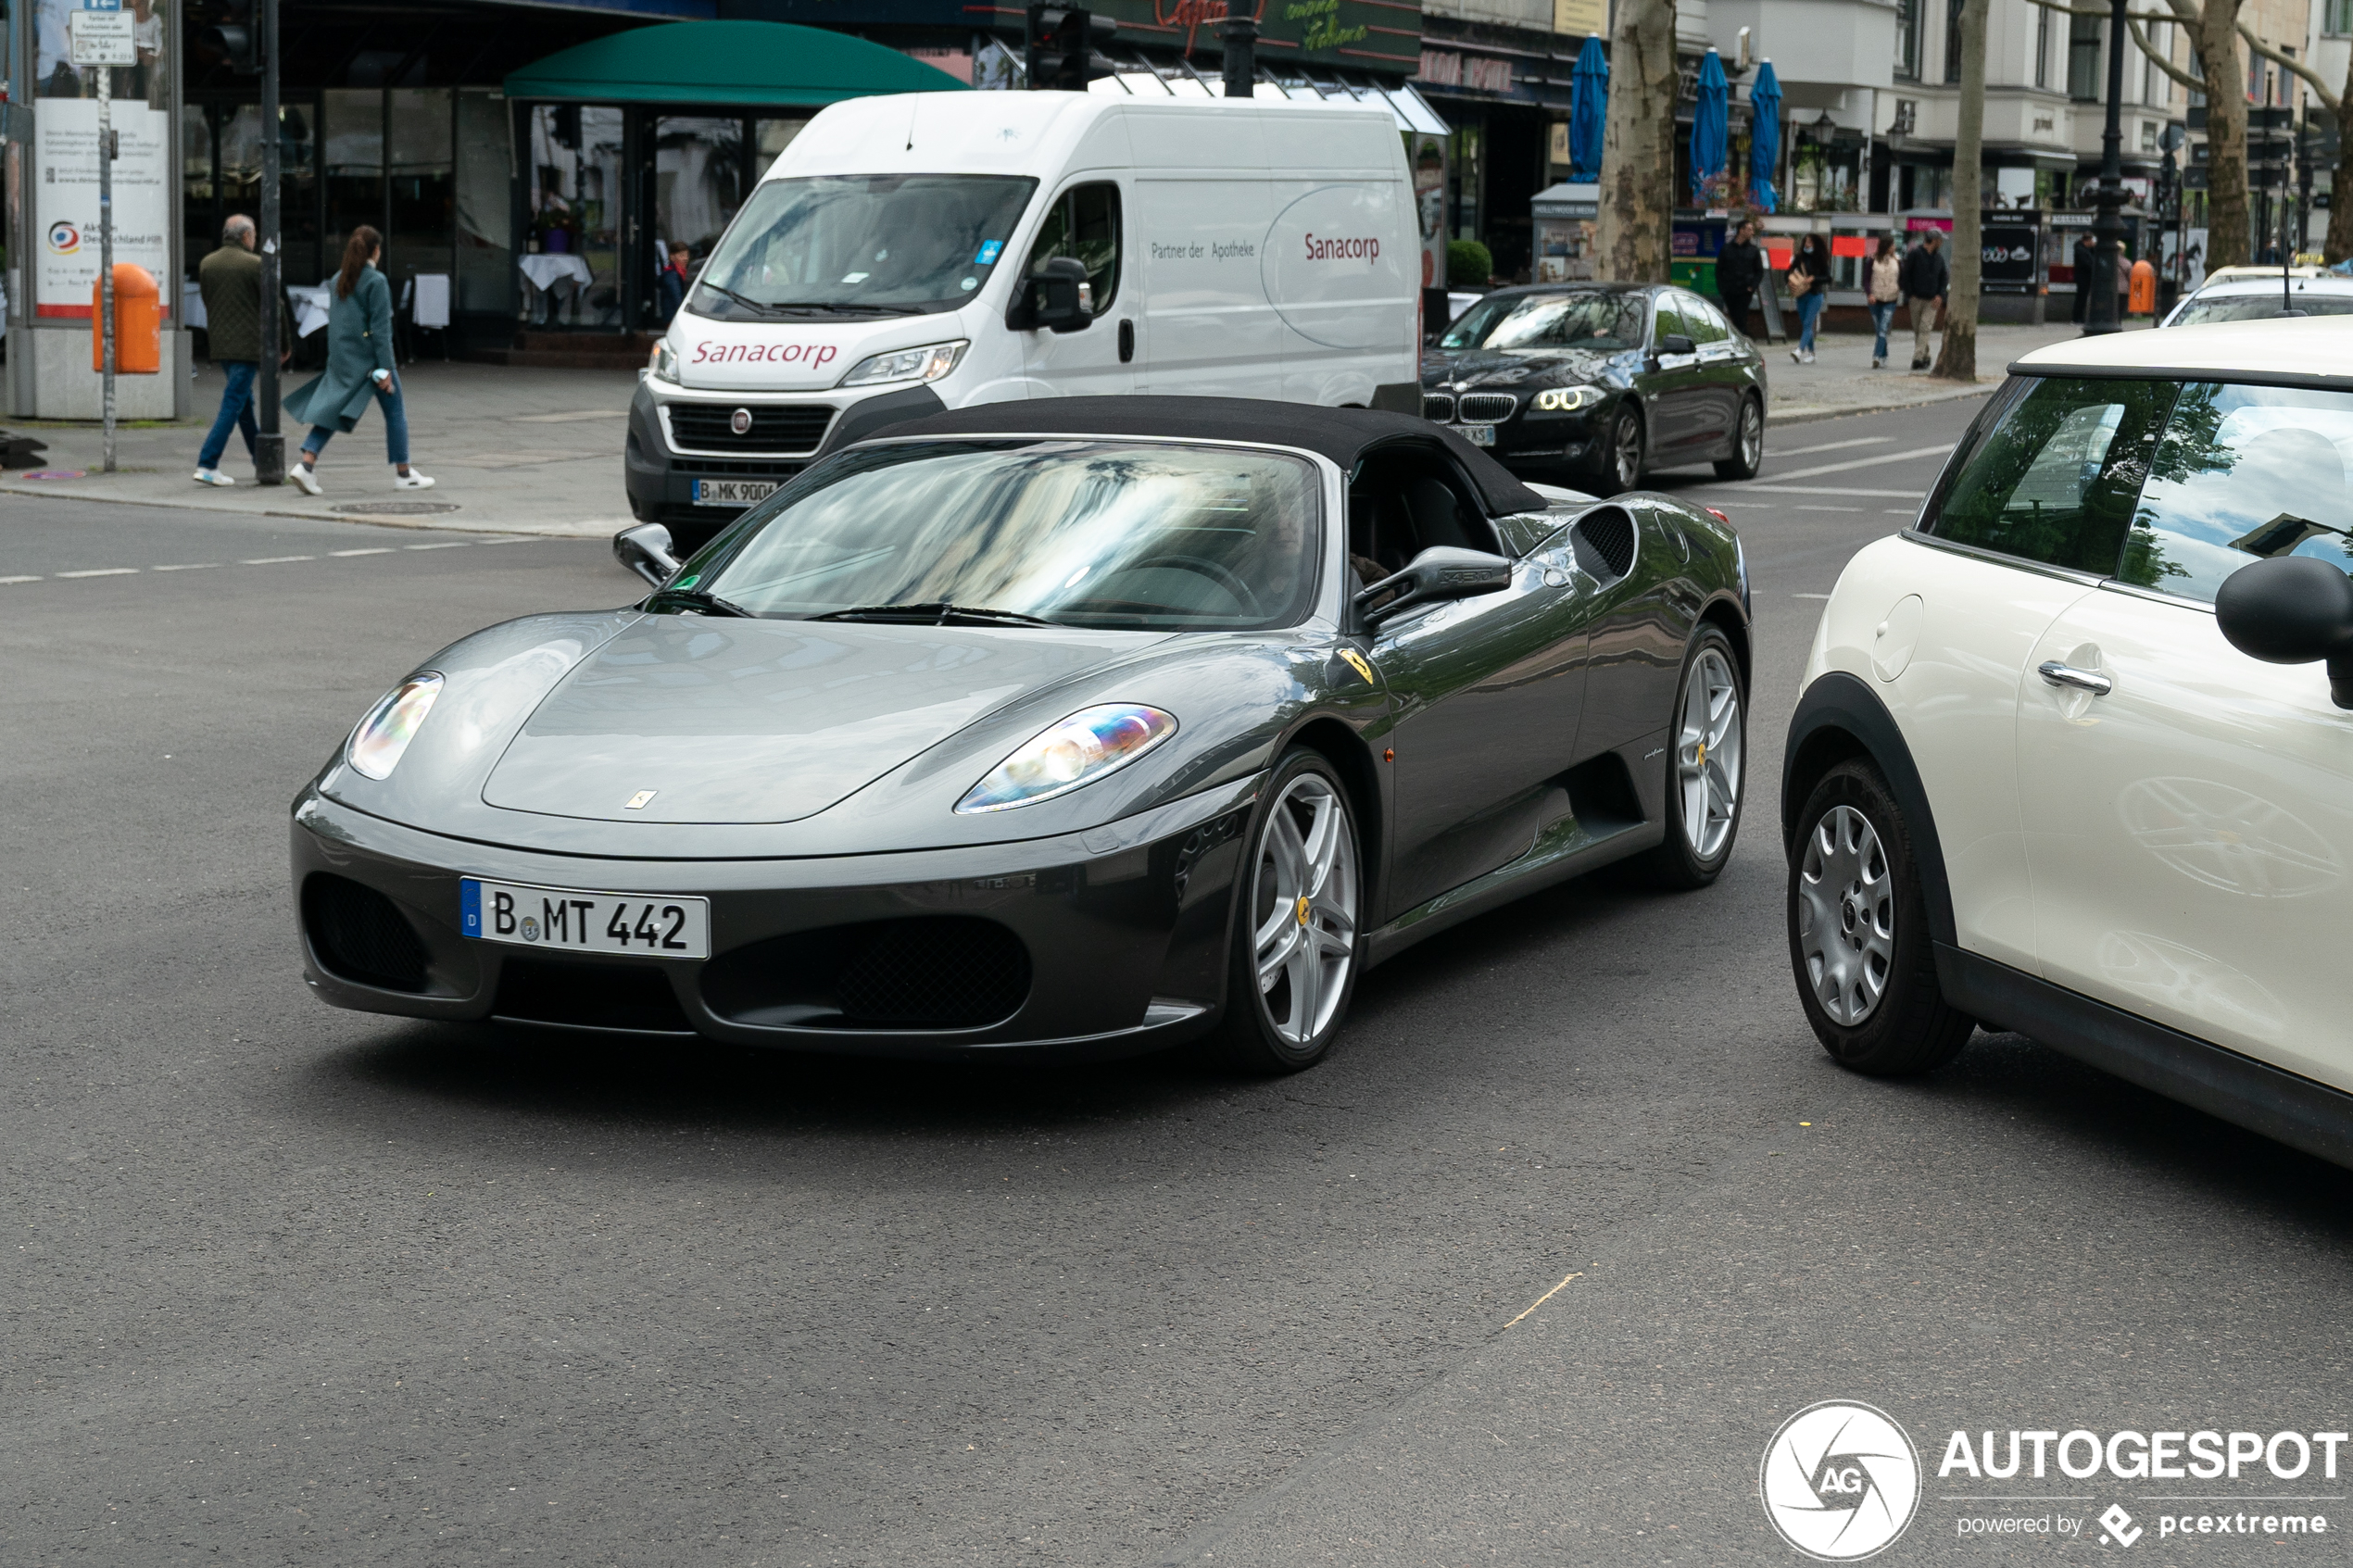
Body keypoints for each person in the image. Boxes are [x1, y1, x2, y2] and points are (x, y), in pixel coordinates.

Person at [283, 226, 432, 495]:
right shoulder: (376, 281)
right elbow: (381, 330)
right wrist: (385, 368)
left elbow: (339, 324)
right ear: (376, 250)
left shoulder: (339, 278)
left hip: (344, 360)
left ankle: (306, 464)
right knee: (395, 412)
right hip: (371, 364)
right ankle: (404, 473)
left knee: (332, 412)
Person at [192, 214, 291, 487]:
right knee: (234, 402)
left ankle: (261, 462)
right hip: (248, 346)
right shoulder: (257, 265)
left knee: (244, 405)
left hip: (221, 344)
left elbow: (207, 298)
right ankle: (208, 462)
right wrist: (284, 345)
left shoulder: (207, 264)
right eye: (255, 234)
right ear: (247, 236)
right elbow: (276, 307)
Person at [1900, 231, 1949, 370]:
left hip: (1932, 300)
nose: (1941, 243)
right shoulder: (1915, 254)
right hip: (1916, 298)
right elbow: (1907, 274)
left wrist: (1940, 295)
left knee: (1925, 328)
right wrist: (1910, 293)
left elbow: (1943, 278)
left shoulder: (1939, 258)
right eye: (1940, 240)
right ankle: (1925, 355)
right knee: (1917, 328)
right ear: (1934, 240)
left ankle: (1917, 358)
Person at [1717, 219, 1765, 339]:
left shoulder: (1753, 250)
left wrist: (1752, 287)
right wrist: (1723, 289)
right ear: (1741, 230)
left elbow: (1759, 271)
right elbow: (1719, 270)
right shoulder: (1727, 249)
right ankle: (1740, 338)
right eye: (1749, 229)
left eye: (1752, 230)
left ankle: (1740, 339)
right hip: (1730, 290)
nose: (1752, 232)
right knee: (1734, 316)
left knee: (1741, 316)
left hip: (1745, 290)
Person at [1788, 232, 1831, 364]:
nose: (1808, 245)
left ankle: (1799, 350)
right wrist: (1790, 281)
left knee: (1808, 323)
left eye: (1810, 242)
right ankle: (1812, 353)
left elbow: (1828, 278)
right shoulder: (1799, 257)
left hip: (1815, 294)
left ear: (1816, 244)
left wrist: (1814, 278)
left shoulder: (1821, 259)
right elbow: (1789, 271)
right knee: (1805, 323)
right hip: (1800, 294)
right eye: (1806, 242)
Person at [1866, 234, 1902, 369]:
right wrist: (1869, 293)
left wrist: (1900, 289)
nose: (1894, 247)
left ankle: (1876, 355)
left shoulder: (1897, 261)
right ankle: (1884, 355)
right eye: (1893, 245)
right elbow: (1866, 279)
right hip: (1875, 298)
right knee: (1879, 329)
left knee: (1883, 328)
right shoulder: (1872, 260)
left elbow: (1902, 278)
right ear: (1887, 246)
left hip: (1890, 298)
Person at [655, 242, 692, 324]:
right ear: (672, 257)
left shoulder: (680, 274)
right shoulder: (671, 276)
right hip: (673, 318)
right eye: (682, 255)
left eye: (687, 255)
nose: (685, 258)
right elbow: (677, 298)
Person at [2070, 232, 2098, 325]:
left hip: (2085, 276)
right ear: (2087, 240)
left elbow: (2093, 256)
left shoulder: (2086, 249)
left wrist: (2093, 248)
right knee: (2081, 298)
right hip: (2083, 277)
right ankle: (2077, 318)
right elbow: (2087, 263)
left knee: (2083, 297)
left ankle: (2079, 317)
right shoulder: (2081, 250)